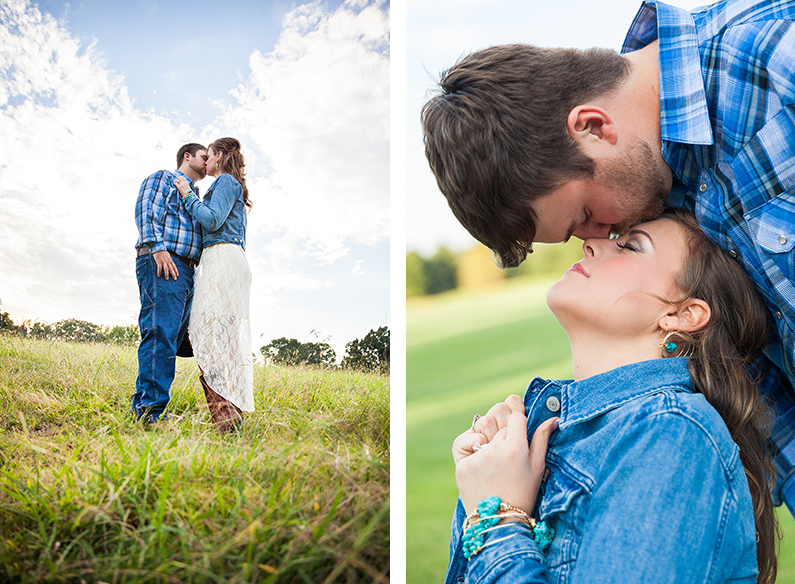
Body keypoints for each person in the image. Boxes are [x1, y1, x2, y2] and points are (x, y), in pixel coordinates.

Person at [421, 0, 795, 514]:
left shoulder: (775, 56)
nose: (599, 236)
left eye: (584, 215)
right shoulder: (665, 194)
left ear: (594, 126)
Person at [444, 208, 778, 584]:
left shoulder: (671, 433)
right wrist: (484, 478)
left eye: (631, 246)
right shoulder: (584, 433)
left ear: (684, 314)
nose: (590, 243)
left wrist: (496, 517)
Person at [175, 137, 253, 432]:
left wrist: (187, 195)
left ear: (219, 157)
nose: (205, 161)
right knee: (220, 338)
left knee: (207, 335)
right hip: (224, 259)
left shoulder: (225, 183)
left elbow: (211, 219)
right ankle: (229, 414)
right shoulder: (230, 185)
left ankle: (226, 415)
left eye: (208, 156)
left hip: (223, 258)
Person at [133, 143, 207, 423]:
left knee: (173, 339)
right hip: (165, 260)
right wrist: (157, 247)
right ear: (187, 156)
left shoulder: (194, 195)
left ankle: (144, 403)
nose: (207, 160)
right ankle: (150, 413)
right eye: (204, 156)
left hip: (187, 270)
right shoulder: (163, 177)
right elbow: (146, 208)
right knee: (161, 332)